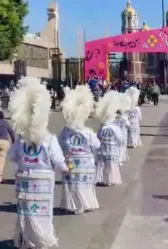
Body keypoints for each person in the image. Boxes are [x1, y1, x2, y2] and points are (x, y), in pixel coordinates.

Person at [8, 77, 68, 249]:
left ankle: (26, 240)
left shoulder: (20, 139)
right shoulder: (48, 138)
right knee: (42, 213)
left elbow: (13, 157)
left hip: (24, 179)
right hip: (43, 181)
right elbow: (58, 160)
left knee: (26, 213)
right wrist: (65, 169)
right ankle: (42, 240)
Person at [58, 85, 101, 214]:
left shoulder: (65, 131)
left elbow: (60, 144)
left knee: (72, 184)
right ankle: (86, 203)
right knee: (84, 184)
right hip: (86, 162)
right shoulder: (87, 132)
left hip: (70, 160)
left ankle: (73, 205)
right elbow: (97, 145)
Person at [95, 91, 123, 186]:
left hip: (103, 150)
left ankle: (102, 179)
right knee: (111, 166)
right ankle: (110, 180)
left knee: (102, 165)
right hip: (113, 150)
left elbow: (98, 138)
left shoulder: (102, 127)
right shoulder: (115, 128)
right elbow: (120, 139)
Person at [114, 93, 131, 166]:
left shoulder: (113, 118)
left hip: (115, 135)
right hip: (123, 134)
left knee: (116, 147)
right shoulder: (124, 118)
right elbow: (128, 125)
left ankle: (116, 159)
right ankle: (120, 160)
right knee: (121, 148)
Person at [0, 109, 15, 183]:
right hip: (4, 142)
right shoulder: (6, 123)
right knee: (1, 160)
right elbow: (11, 132)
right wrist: (13, 140)